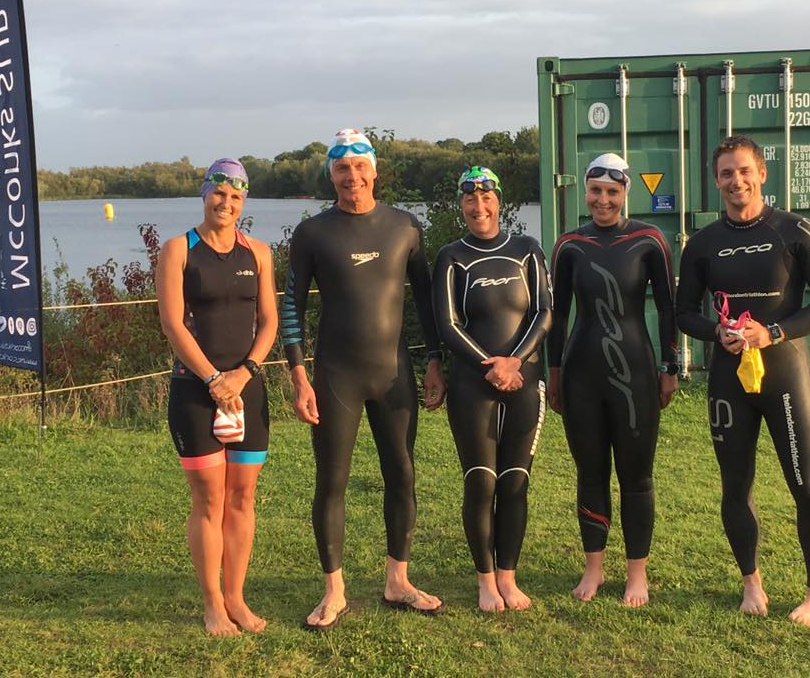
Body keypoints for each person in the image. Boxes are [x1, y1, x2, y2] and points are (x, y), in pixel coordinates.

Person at [280, 128, 447, 631]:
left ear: (374, 171)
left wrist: (434, 360)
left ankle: (398, 580)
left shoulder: (404, 227)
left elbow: (426, 300)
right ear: (330, 175)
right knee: (332, 481)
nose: (351, 176)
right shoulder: (312, 233)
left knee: (402, 473)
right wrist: (298, 374)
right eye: (341, 168)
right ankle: (334, 591)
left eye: (359, 166)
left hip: (394, 374)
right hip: (337, 376)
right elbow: (291, 306)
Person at [676, 135, 810, 627]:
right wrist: (716, 333)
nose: (736, 181)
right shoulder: (702, 243)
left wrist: (773, 332)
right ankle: (751, 582)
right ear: (716, 180)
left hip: (785, 373)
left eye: (744, 170)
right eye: (726, 173)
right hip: (729, 378)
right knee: (735, 486)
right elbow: (683, 312)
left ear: (762, 173)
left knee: (806, 485)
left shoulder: (796, 231)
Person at [547, 153, 678, 608]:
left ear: (625, 194)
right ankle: (594, 567)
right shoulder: (569, 245)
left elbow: (668, 307)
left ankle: (636, 574)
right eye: (595, 191)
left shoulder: (649, 239)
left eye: (612, 192)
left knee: (636, 477)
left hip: (636, 373)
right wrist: (554, 372)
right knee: (590, 473)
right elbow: (558, 313)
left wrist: (670, 367)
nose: (603, 200)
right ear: (585, 191)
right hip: (581, 374)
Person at [156, 159, 278, 636]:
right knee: (209, 499)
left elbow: (268, 321)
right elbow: (172, 324)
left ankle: (236, 598)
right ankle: (212, 604)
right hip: (195, 390)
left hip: (247, 390)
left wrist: (243, 374)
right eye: (219, 194)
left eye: (235, 197)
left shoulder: (259, 253)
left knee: (242, 498)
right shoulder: (178, 250)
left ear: (243, 202)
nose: (226, 203)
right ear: (205, 194)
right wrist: (213, 380)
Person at [432, 167, 552, 612]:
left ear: (499, 201)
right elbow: (448, 324)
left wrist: (514, 361)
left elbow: (544, 312)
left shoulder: (526, 250)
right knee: (481, 483)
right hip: (473, 383)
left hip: (524, 379)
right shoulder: (452, 256)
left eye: (486, 198)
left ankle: (508, 577)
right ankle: (486, 581)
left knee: (515, 482)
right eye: (470, 199)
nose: (478, 206)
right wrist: (492, 366)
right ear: (461, 204)